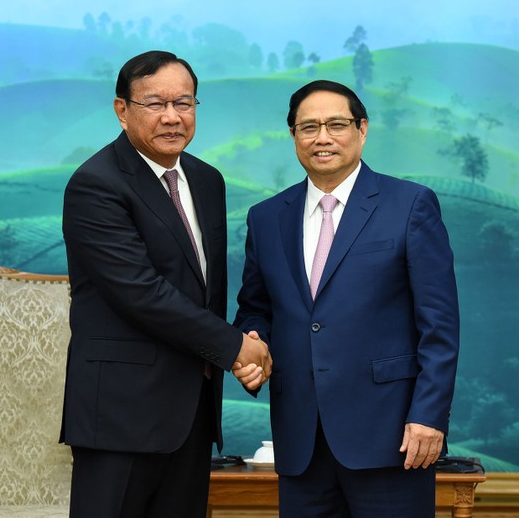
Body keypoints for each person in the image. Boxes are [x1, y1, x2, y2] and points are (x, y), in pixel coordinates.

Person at [233, 80, 460, 517]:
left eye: (336, 124)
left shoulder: (410, 204)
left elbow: (440, 324)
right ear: (294, 136)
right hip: (300, 440)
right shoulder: (266, 218)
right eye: (308, 127)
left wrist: (429, 416)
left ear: (362, 129)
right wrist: (253, 341)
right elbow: (255, 306)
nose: (322, 138)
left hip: (393, 436)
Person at [60, 50, 271, 518]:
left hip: (192, 409)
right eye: (155, 103)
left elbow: (205, 293)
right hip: (121, 413)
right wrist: (236, 347)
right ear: (122, 110)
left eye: (185, 103)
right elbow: (141, 293)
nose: (173, 116)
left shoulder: (206, 179)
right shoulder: (96, 184)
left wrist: (239, 344)